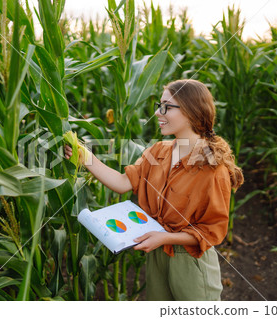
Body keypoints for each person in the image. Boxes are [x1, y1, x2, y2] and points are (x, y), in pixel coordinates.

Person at [64, 79, 244, 301]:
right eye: (159, 105)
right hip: (157, 254)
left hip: (190, 260)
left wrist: (165, 237)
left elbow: (211, 231)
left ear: (190, 111)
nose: (158, 113)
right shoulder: (158, 151)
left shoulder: (211, 168)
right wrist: (85, 158)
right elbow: (122, 183)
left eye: (166, 107)